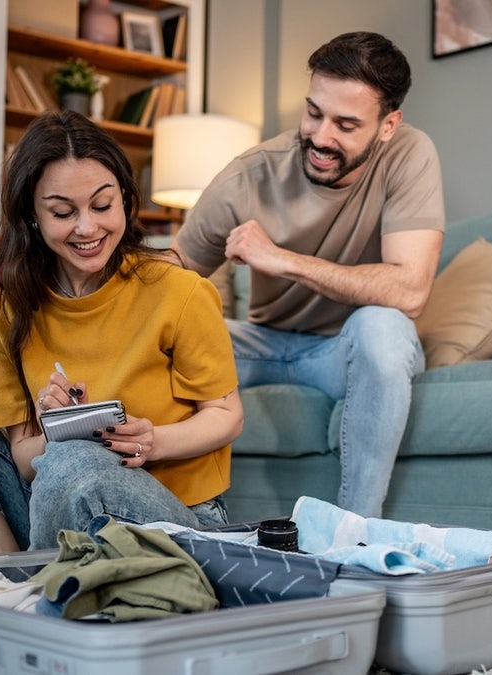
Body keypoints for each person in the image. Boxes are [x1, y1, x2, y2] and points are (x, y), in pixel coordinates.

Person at [0, 110, 243, 554]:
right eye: (63, 212)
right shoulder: (0, 316)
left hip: (174, 518)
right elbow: (26, 460)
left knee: (74, 460)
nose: (87, 228)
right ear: (33, 216)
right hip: (52, 502)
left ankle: (34, 583)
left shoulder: (180, 291)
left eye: (103, 206)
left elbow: (227, 414)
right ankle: (6, 572)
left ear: (124, 199)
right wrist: (51, 428)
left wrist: (152, 440)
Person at [173, 32, 445, 517]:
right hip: (259, 344)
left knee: (384, 326)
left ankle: (355, 534)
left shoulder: (410, 154)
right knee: (170, 339)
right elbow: (169, 281)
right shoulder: (250, 174)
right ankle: (172, 527)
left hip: (344, 353)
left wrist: (283, 260)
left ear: (388, 125)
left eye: (345, 124)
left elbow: (410, 291)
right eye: (314, 113)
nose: (321, 137)